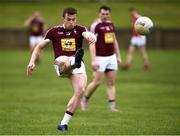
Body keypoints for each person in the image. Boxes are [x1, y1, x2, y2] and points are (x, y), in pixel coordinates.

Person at [26, 7, 98, 132]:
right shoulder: (54, 31)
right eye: (68, 19)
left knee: (80, 91)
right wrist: (32, 62)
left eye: (74, 19)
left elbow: (87, 35)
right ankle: (74, 62)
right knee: (65, 60)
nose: (71, 22)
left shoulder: (80, 29)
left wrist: (92, 37)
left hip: (77, 65)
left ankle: (63, 123)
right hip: (61, 63)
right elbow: (39, 47)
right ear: (63, 18)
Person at [80, 5, 122, 112]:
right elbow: (92, 43)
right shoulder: (96, 26)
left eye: (107, 14)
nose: (105, 16)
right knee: (97, 81)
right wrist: (93, 60)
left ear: (109, 14)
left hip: (111, 57)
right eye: (103, 14)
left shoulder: (111, 24)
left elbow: (114, 40)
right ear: (99, 14)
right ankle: (84, 100)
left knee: (111, 82)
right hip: (100, 58)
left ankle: (112, 107)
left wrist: (118, 56)